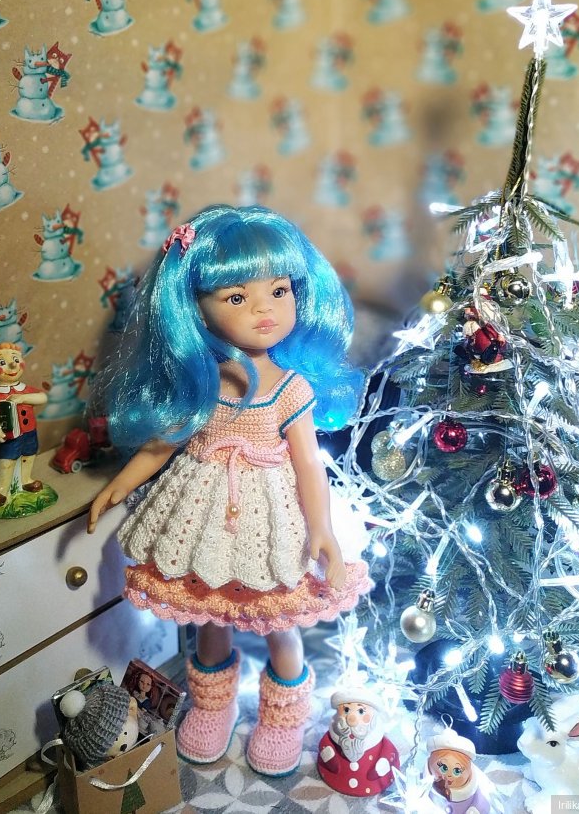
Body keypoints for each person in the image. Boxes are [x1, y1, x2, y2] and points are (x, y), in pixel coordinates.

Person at [88, 205, 371, 776]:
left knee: (281, 623)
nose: (264, 309)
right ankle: (213, 706)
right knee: (209, 618)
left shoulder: (291, 389)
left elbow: (309, 465)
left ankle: (284, 716)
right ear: (195, 308)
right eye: (237, 297)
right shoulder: (202, 383)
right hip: (204, 515)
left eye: (279, 291)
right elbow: (164, 443)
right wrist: (119, 484)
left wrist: (321, 529)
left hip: (273, 517)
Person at [0, 343, 48, 506]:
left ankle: (26, 479)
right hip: (11, 434)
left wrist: (23, 398)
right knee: (7, 460)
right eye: (2, 362)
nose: (12, 365)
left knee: (29, 455)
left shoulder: (24, 389)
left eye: (16, 359)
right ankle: (0, 490)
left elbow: (43, 397)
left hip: (29, 431)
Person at [316, 687, 399, 796]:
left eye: (361, 711)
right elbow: (325, 743)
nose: (351, 718)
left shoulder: (376, 737)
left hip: (373, 781)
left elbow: (389, 749)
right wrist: (328, 757)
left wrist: (384, 762)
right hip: (337, 776)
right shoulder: (335, 733)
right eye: (346, 710)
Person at [426, 727, 492, 814]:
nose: (449, 775)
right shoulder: (426, 786)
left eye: (457, 771)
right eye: (443, 768)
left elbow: (483, 804)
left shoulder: (474, 790)